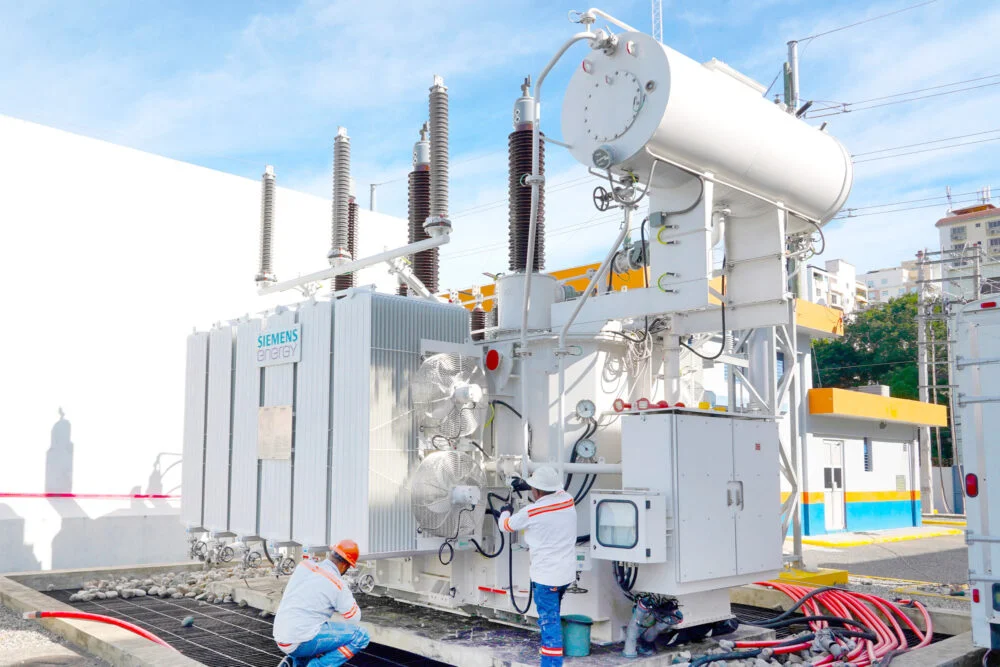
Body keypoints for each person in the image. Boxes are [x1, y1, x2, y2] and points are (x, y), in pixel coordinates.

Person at [498, 466, 578, 667]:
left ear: (537, 491)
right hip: (565, 575)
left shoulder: (531, 511)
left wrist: (505, 511)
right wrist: (528, 485)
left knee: (549, 625)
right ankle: (550, 654)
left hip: (546, 578)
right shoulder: (568, 500)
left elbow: (505, 526)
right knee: (553, 617)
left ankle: (551, 663)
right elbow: (551, 492)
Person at [273, 539, 370, 667]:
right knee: (361, 635)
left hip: (281, 636)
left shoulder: (304, 565)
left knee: (314, 628)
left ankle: (292, 663)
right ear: (345, 565)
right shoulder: (337, 584)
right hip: (299, 641)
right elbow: (354, 618)